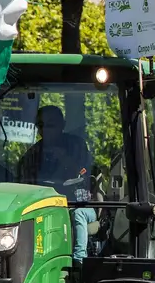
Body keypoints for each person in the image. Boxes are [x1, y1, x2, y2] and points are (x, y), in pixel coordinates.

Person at [18, 106, 98, 262]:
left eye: (50, 125)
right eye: (41, 125)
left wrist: (63, 159)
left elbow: (84, 172)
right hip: (44, 206)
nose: (45, 130)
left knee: (78, 214)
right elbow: (23, 182)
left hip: (78, 204)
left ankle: (80, 260)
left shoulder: (77, 146)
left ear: (63, 125)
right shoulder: (32, 154)